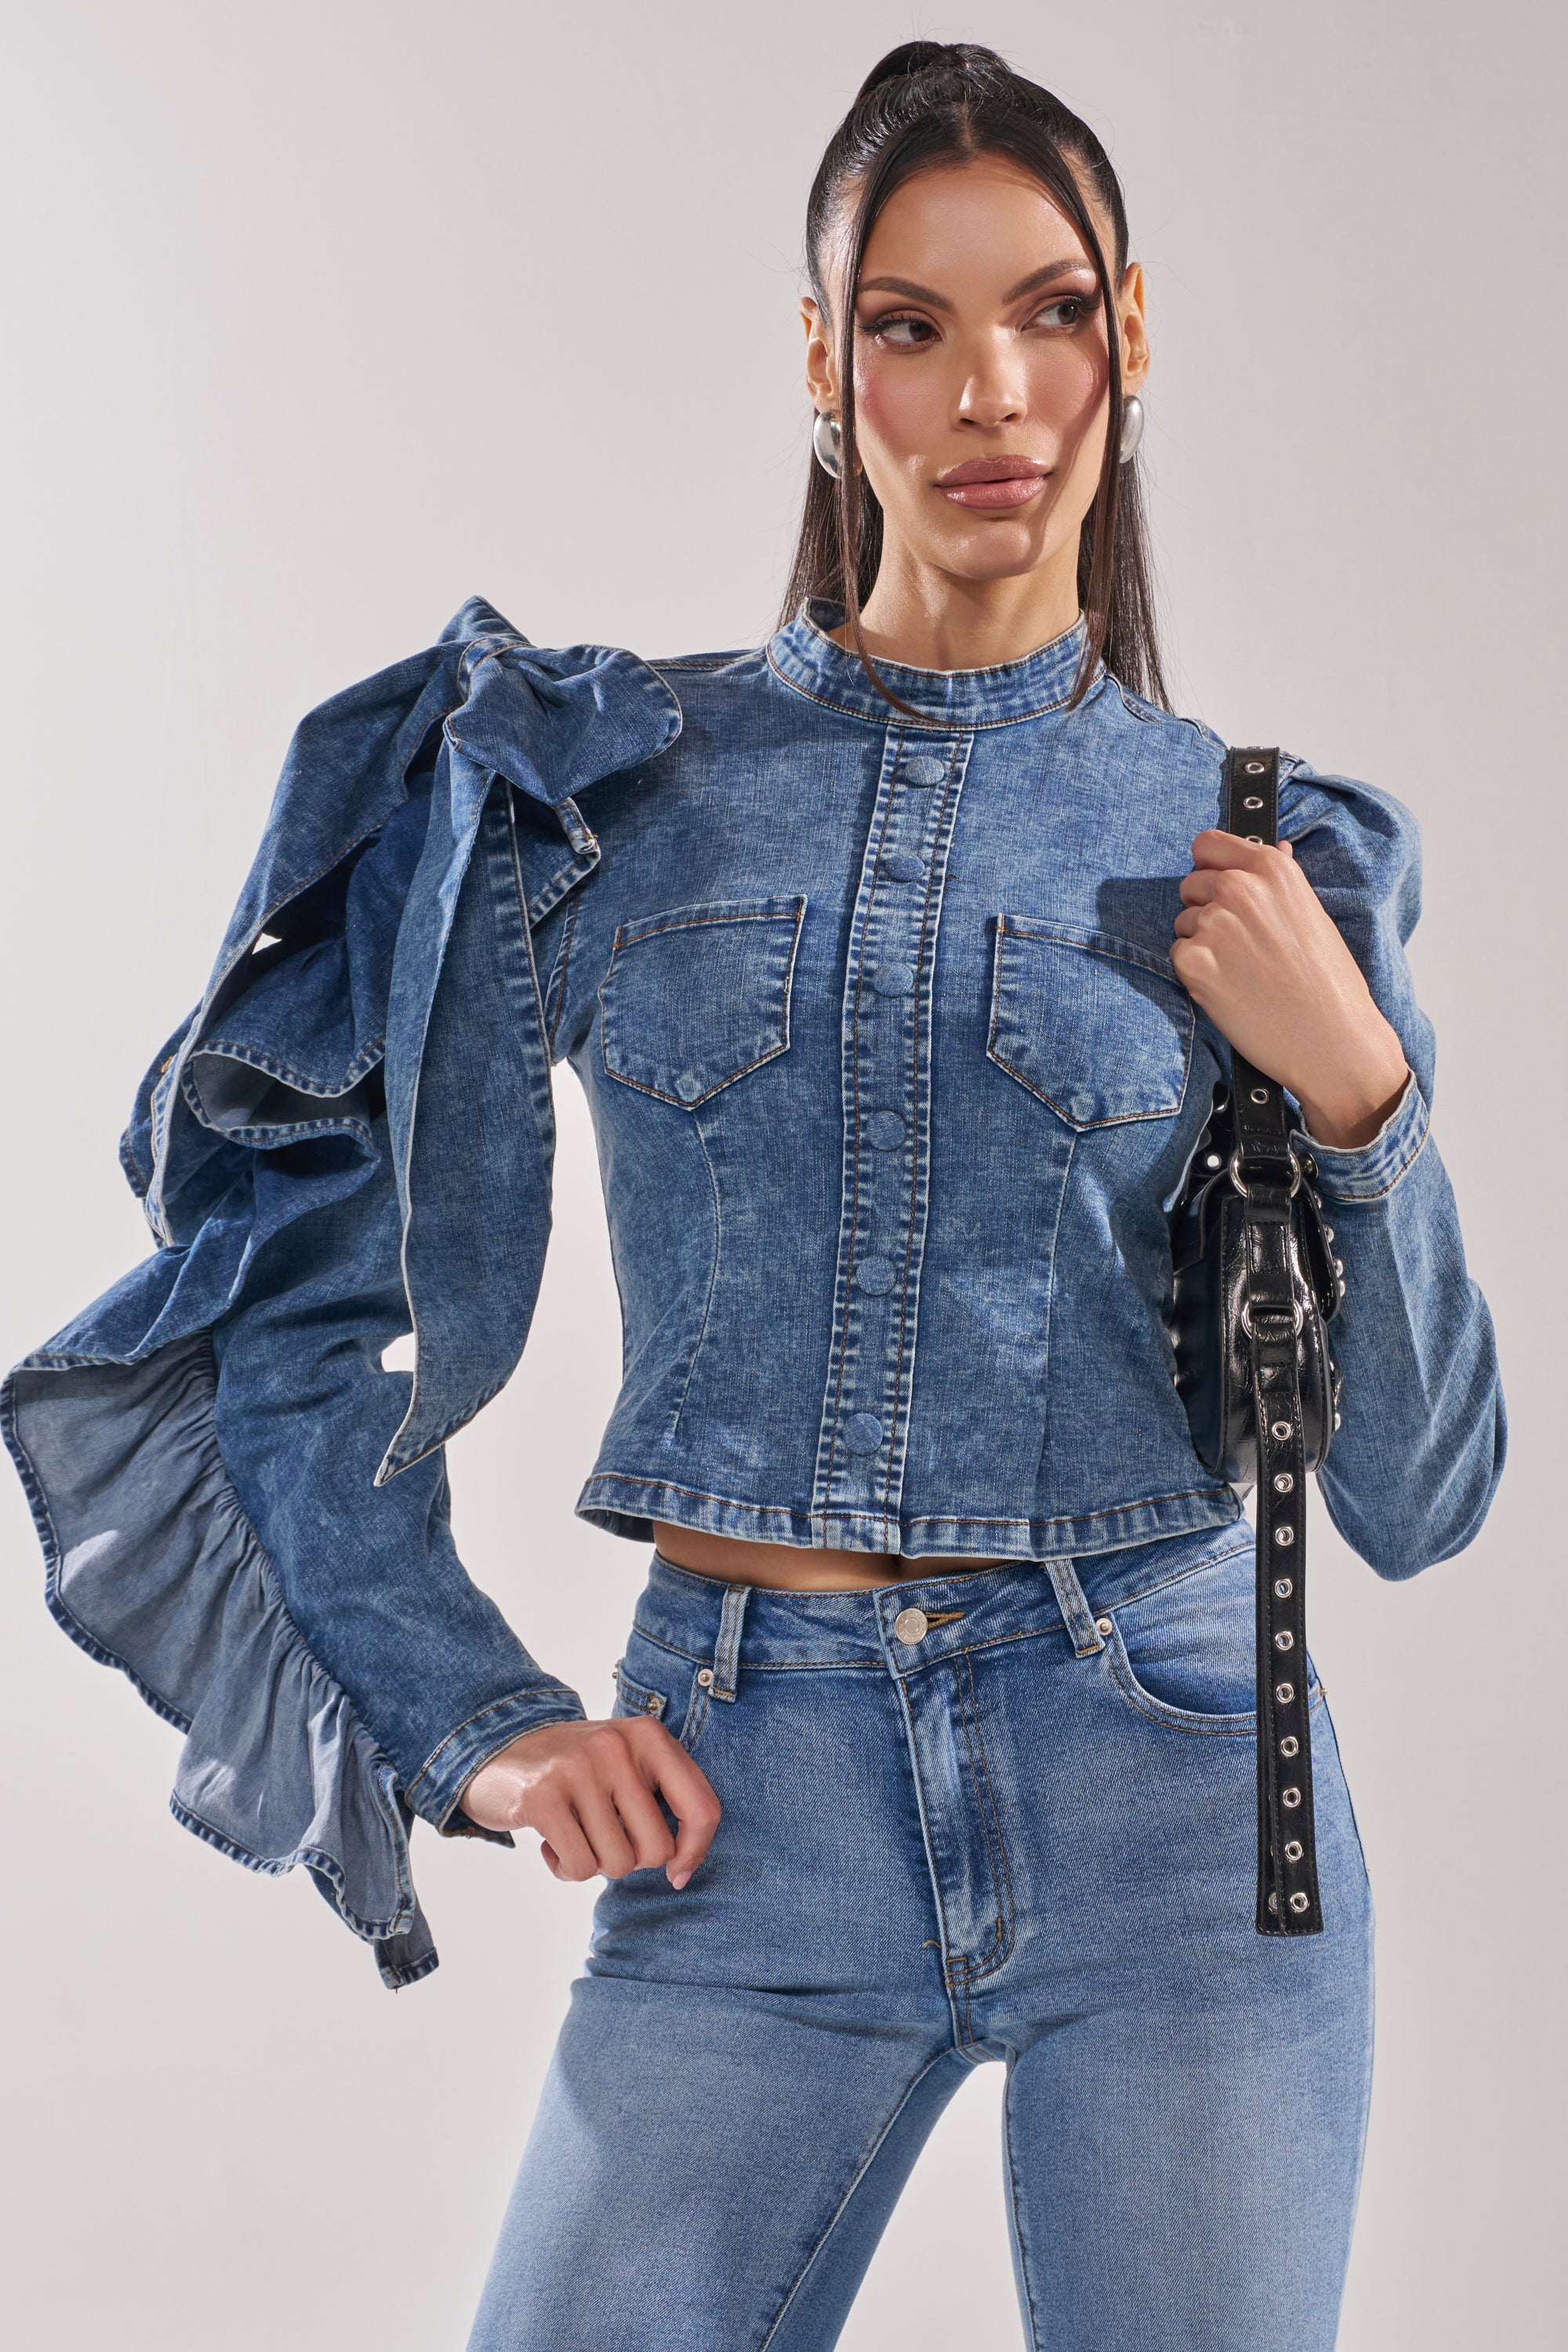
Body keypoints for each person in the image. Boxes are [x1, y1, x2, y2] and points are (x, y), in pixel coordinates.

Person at [4, 40, 1504, 2352]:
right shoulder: (608, 794)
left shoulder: (1273, 847)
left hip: (1184, 1800)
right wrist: (471, 1719)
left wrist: (1359, 1092)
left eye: (1056, 311)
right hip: (746, 1786)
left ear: (1135, 338)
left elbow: (1418, 1496)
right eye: (910, 325)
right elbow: (284, 1305)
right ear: (822, 362)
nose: (993, 393)